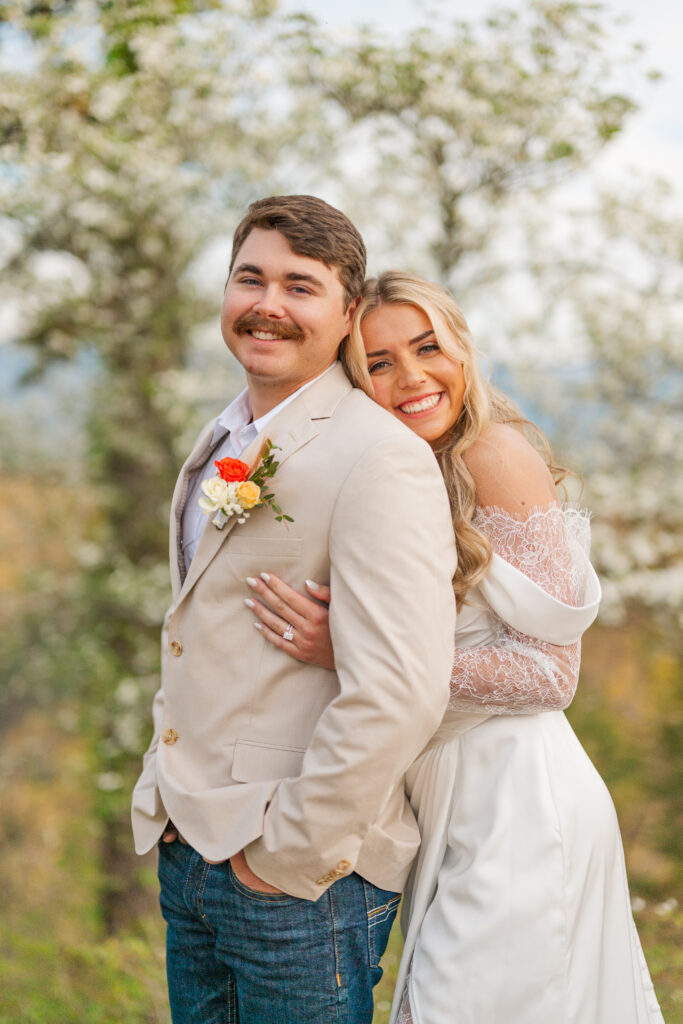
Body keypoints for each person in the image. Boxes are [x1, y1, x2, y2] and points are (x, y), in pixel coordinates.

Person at [245, 271, 664, 1023]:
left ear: (460, 351)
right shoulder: (398, 470)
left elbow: (549, 672)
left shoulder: (491, 455)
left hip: (519, 799)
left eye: (426, 348)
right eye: (378, 363)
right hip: (443, 800)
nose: (410, 378)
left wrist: (350, 652)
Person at [131, 200, 458, 1023]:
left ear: (346, 314)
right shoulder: (227, 435)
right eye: (251, 278)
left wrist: (285, 855)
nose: (267, 303)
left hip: (297, 880)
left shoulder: (378, 457)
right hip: (193, 845)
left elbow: (402, 690)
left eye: (299, 287)